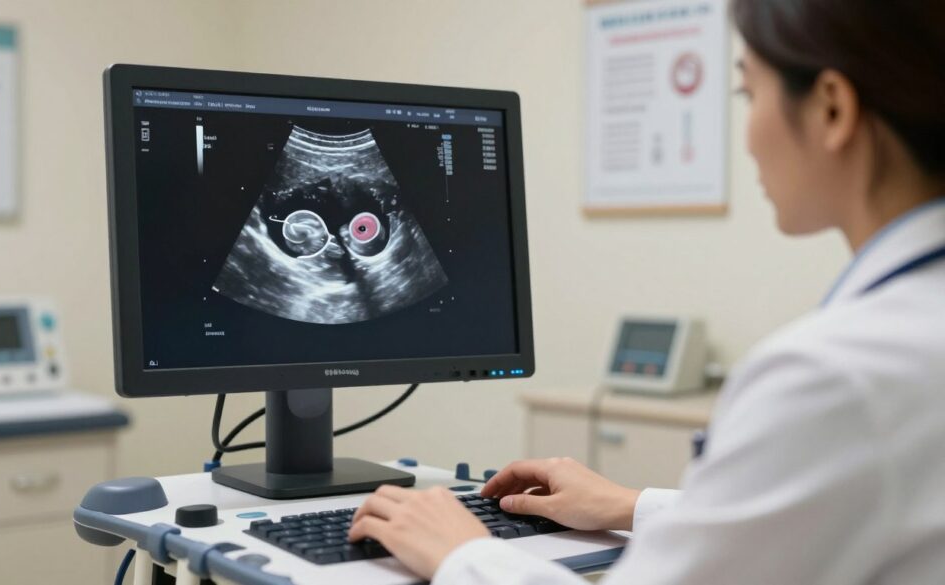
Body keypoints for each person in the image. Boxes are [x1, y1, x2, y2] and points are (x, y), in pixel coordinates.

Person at [348, 0, 945, 582]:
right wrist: (630, 505)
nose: (749, 137)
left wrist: (462, 554)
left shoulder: (835, 378)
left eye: (748, 94)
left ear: (833, 110)